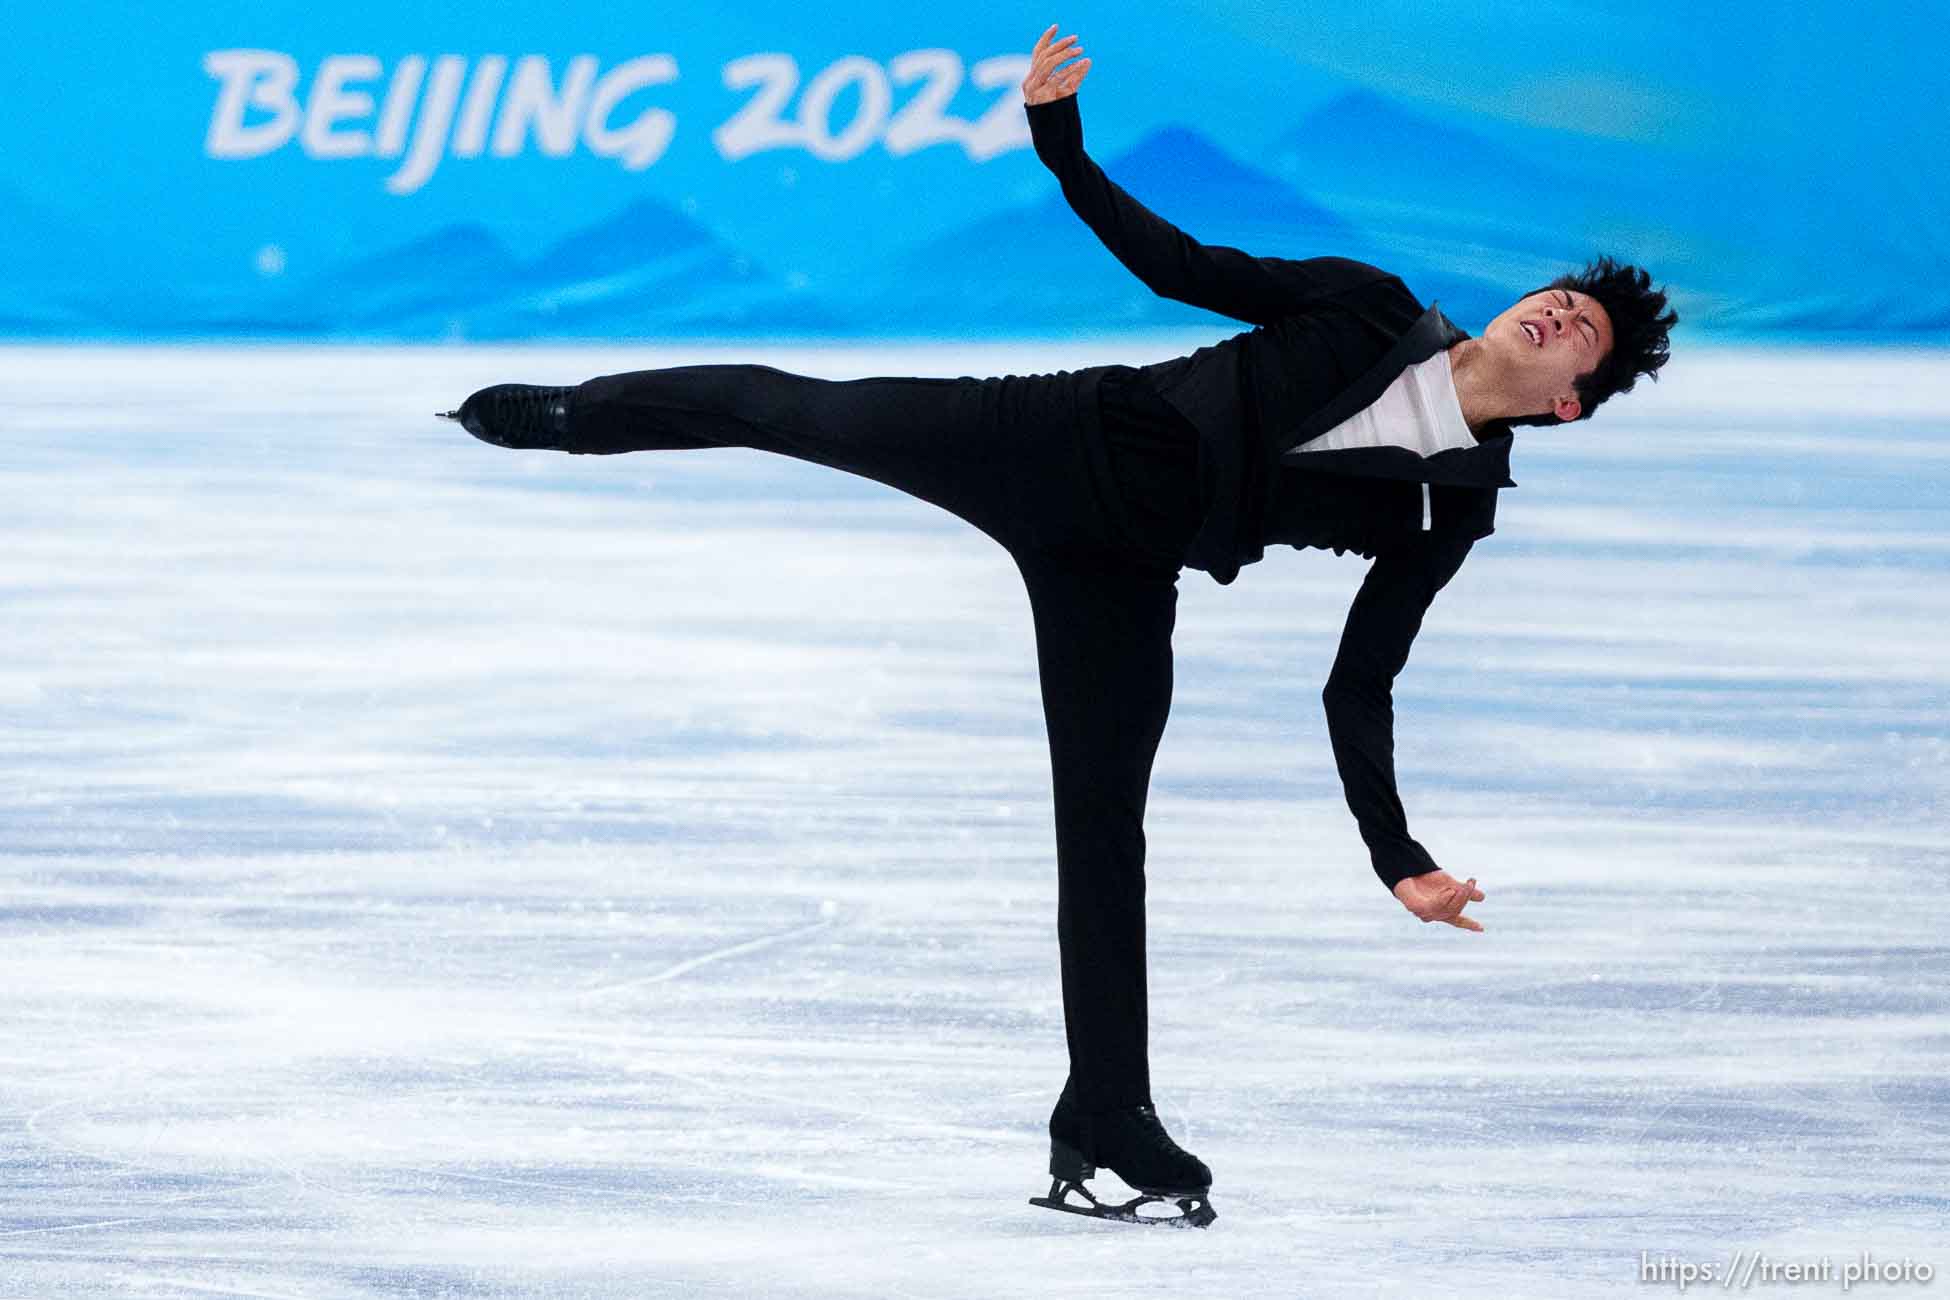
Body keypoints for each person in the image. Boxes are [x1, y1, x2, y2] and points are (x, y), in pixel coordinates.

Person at [439, 24, 1677, 1228]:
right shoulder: (1370, 308)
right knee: (800, 409)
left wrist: (1396, 856)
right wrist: (1059, 137)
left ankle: (1104, 1117)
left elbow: (1359, 685)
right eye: (1560, 297)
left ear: (1566, 406)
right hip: (1046, 436)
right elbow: (1180, 266)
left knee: (1106, 841)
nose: (1559, 314)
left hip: (1124, 572)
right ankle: (570, 415)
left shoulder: (1440, 509)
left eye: (1583, 334)